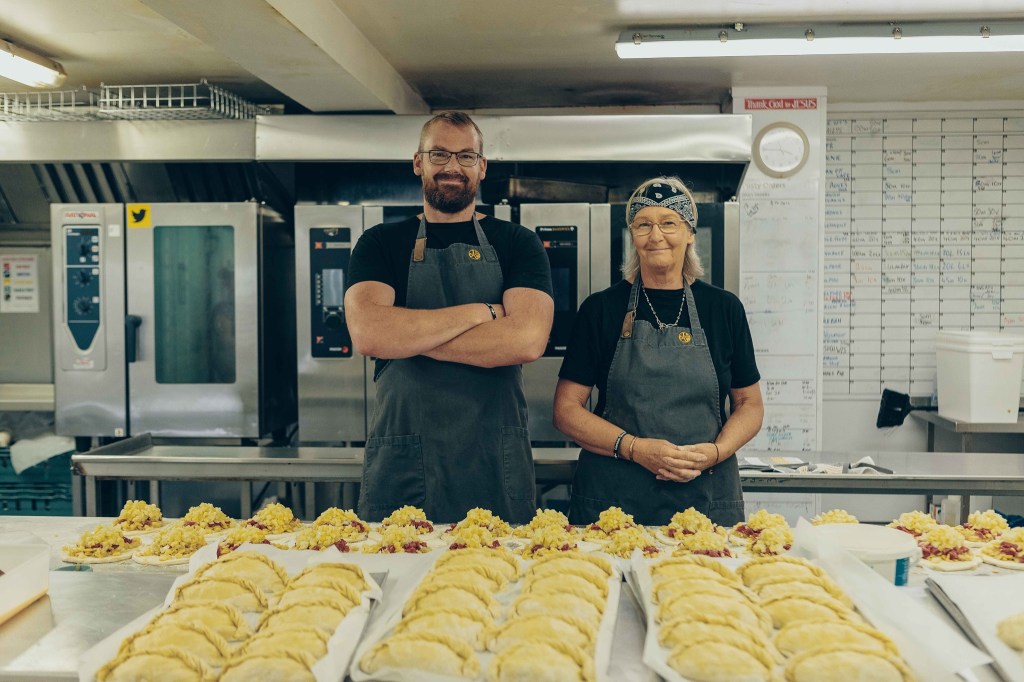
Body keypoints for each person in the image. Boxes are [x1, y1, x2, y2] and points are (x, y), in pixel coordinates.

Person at [346, 111, 554, 524]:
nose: (452, 167)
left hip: (493, 457)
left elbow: (525, 341)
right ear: (418, 162)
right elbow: (370, 334)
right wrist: (483, 314)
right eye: (439, 154)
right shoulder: (380, 242)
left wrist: (411, 337)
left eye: (465, 156)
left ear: (482, 167)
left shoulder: (518, 243)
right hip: (404, 457)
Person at [553, 176, 763, 527]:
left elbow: (750, 405)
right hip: (613, 503)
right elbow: (565, 410)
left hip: (705, 499)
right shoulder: (601, 309)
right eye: (643, 224)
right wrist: (635, 448)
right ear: (632, 234)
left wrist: (715, 452)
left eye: (669, 223)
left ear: (690, 232)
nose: (655, 235)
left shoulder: (723, 309)